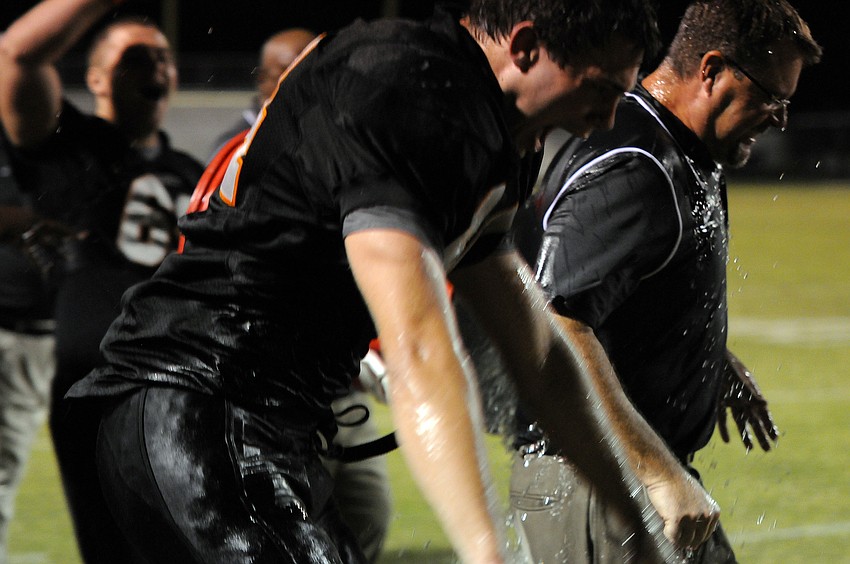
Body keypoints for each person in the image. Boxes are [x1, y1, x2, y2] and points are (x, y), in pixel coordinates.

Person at [64, 1, 720, 562]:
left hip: (253, 418)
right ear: (525, 47)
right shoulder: (415, 91)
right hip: (196, 404)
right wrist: (486, 550)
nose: (608, 118)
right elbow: (419, 349)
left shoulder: (492, 127)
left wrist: (634, 524)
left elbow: (540, 357)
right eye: (601, 89)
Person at [508, 1, 822, 562]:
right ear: (712, 70)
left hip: (627, 469)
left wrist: (704, 355)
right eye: (771, 96)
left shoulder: (677, 146)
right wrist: (658, 474)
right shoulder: (638, 164)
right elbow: (557, 321)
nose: (780, 119)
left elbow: (625, 293)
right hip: (594, 477)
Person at [0, 2, 203, 562]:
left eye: (163, 57)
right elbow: (17, 53)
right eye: (135, 58)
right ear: (96, 79)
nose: (155, 68)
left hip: (183, 386)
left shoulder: (192, 172)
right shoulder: (71, 144)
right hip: (99, 386)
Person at [203, 29, 393, 561]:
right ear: (270, 80)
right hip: (267, 389)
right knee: (282, 535)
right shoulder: (240, 156)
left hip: (338, 382)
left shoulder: (338, 144)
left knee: (365, 517)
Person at [208, 28, 317, 159]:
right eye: (290, 73)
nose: (304, 83)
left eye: (313, 72)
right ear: (262, 78)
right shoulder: (234, 150)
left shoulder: (324, 136)